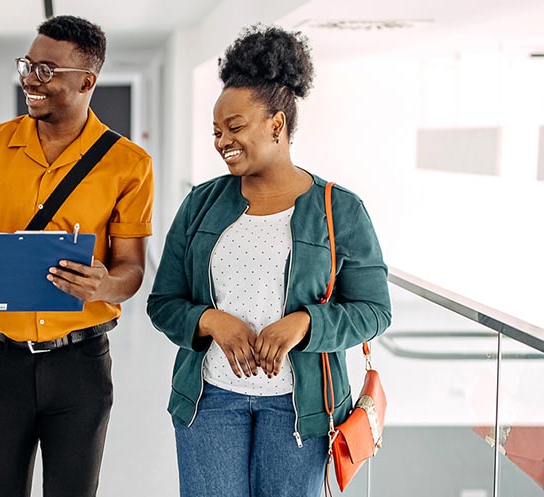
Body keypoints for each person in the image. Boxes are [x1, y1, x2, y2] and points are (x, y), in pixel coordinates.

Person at [146, 25, 392, 497]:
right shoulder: (200, 203)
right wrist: (210, 320)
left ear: (277, 124)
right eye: (217, 131)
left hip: (301, 409)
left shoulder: (339, 208)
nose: (222, 141)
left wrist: (305, 324)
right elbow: (163, 303)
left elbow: (375, 310)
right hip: (209, 400)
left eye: (235, 127)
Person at [0, 15, 154, 497]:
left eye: (46, 70)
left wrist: (102, 284)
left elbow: (132, 270)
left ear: (86, 82)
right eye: (28, 65)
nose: (30, 79)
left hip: (80, 364)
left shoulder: (128, 164)